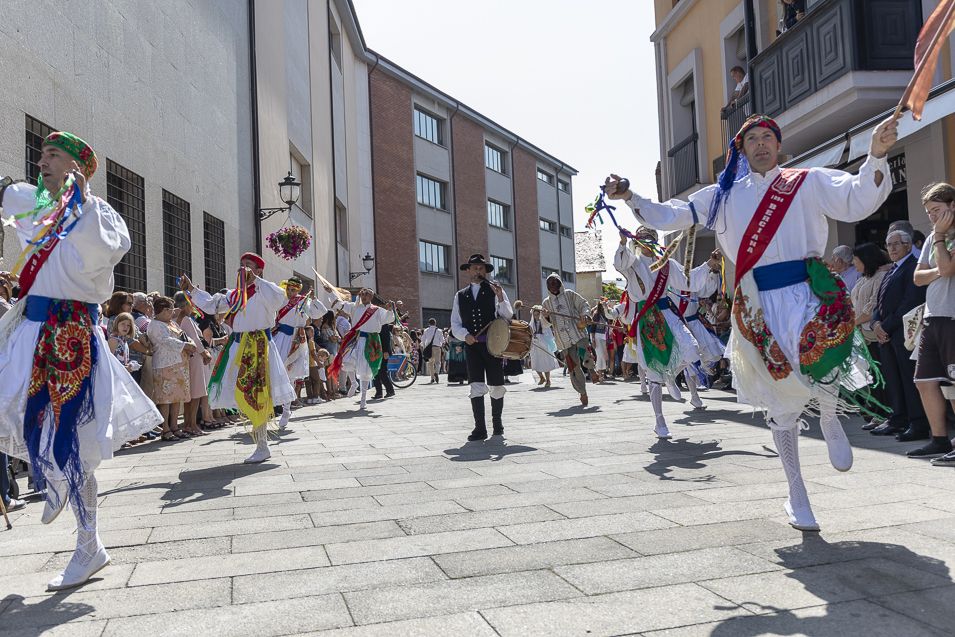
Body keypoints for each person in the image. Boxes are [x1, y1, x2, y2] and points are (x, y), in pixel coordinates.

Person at [604, 112, 898, 530]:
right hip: (758, 303)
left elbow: (858, 197)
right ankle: (798, 494)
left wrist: (877, 154)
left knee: (826, 360)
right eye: (752, 139)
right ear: (740, 150)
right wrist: (630, 195)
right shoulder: (722, 196)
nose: (761, 144)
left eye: (768, 137)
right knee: (780, 398)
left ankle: (831, 418)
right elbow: (670, 215)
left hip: (809, 290)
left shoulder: (807, 181)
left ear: (778, 145)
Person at [0, 131, 162, 590]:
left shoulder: (98, 213)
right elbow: (6, 191)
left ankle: (88, 544)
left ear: (79, 166)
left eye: (55, 155)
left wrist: (80, 200)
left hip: (71, 335)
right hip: (27, 332)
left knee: (72, 437)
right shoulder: (31, 200)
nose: (43, 160)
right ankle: (51, 477)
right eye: (43, 154)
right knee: (22, 415)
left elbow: (105, 250)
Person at [180, 253, 295, 463]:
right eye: (241, 265)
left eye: (249, 266)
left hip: (259, 346)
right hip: (238, 347)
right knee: (242, 391)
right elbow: (213, 304)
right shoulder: (235, 295)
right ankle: (261, 443)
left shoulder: (264, 291)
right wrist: (191, 291)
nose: (243, 269)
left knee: (257, 393)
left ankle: (262, 445)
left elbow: (280, 298)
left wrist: (256, 280)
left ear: (259, 270)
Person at [610, 229, 719, 439]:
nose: (647, 242)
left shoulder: (666, 263)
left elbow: (688, 279)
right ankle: (660, 421)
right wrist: (622, 243)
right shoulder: (633, 262)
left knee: (692, 349)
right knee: (653, 371)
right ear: (637, 242)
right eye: (643, 238)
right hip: (647, 319)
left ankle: (671, 374)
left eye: (651, 238)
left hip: (667, 313)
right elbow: (619, 263)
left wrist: (708, 265)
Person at [910, 183, 955, 461]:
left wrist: (939, 239)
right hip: (932, 316)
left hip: (952, 315)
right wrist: (941, 267)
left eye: (937, 210)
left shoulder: (938, 236)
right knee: (924, 381)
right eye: (928, 212)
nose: (932, 217)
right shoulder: (932, 237)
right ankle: (939, 439)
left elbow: (948, 269)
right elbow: (917, 278)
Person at [871, 230, 928, 441]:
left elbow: (910, 301)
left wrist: (886, 326)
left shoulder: (913, 266)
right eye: (888, 245)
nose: (892, 248)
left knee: (908, 379)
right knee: (893, 380)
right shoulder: (891, 270)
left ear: (907, 245)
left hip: (904, 334)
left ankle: (918, 423)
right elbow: (880, 302)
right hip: (886, 334)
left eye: (897, 244)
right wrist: (876, 323)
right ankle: (898, 418)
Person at [451, 254, 514, 440]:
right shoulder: (460, 295)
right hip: (472, 347)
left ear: (485, 271)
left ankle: (497, 424)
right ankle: (480, 428)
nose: (478, 271)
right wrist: (465, 336)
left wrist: (501, 297)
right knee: (476, 385)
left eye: (481, 268)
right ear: (468, 270)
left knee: (496, 385)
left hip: (493, 345)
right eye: (474, 268)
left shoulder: (496, 290)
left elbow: (508, 315)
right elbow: (455, 323)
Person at [272, 277, 331, 427]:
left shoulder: (304, 302)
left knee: (290, 374)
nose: (290, 292)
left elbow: (320, 313)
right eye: (289, 289)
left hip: (296, 340)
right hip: (280, 337)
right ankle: (279, 405)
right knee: (279, 371)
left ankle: (286, 409)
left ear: (298, 290)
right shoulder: (281, 300)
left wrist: (314, 299)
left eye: (293, 290)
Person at [849, 243, 893, 430]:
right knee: (871, 376)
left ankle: (885, 413)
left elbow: (872, 308)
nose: (853, 263)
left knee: (881, 375)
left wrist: (852, 324)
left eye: (856, 259)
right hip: (862, 334)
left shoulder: (880, 277)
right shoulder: (863, 279)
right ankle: (876, 412)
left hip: (873, 334)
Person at [328, 288, 395, 410]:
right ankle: (353, 383)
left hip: (370, 342)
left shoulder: (377, 310)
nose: (364, 296)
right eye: (363, 294)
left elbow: (389, 319)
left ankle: (363, 398)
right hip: (356, 339)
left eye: (367, 294)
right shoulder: (354, 307)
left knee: (365, 370)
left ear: (371, 297)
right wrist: (330, 292)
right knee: (346, 360)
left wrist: (390, 309)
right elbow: (339, 304)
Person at [541, 273, 594, 406]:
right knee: (573, 368)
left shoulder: (570, 294)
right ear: (547, 286)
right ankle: (582, 392)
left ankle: (592, 371)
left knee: (585, 353)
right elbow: (545, 324)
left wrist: (585, 314)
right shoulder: (546, 303)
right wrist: (546, 316)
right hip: (563, 340)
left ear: (560, 283)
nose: (553, 286)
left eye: (555, 282)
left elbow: (583, 304)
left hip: (579, 332)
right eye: (550, 283)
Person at [148, 296, 195, 439]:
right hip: (165, 364)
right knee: (166, 398)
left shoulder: (171, 323)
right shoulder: (155, 324)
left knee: (177, 397)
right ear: (162, 310)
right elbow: (164, 340)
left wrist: (190, 342)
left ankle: (174, 426)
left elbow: (183, 335)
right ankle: (166, 429)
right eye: (169, 310)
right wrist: (186, 345)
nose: (172, 313)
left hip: (179, 363)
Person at [175, 291, 215, 434]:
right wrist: (204, 353)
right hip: (195, 358)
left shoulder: (185, 319)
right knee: (196, 393)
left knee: (193, 393)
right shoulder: (185, 319)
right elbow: (195, 339)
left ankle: (189, 424)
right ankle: (191, 424)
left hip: (193, 358)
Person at [528, 305, 559, 387]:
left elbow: (548, 334)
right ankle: (541, 377)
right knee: (535, 362)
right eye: (534, 315)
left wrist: (541, 338)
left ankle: (548, 380)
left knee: (545, 363)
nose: (536, 316)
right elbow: (529, 333)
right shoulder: (531, 324)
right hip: (535, 345)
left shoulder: (544, 323)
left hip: (544, 344)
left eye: (537, 314)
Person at [589, 301, 612, 383]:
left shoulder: (605, 316)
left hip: (603, 338)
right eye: (603, 306)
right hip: (597, 337)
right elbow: (592, 329)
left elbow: (607, 328)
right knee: (600, 355)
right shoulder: (596, 316)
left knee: (604, 356)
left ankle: (601, 374)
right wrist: (593, 340)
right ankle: (600, 374)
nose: (604, 307)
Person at [421, 318, 446, 384]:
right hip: (437, 347)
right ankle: (436, 373)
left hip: (429, 348)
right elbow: (442, 341)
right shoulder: (439, 331)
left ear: (429, 323)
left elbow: (423, 340)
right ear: (435, 323)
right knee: (438, 362)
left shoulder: (426, 330)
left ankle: (432, 378)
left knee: (431, 363)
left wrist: (424, 348)